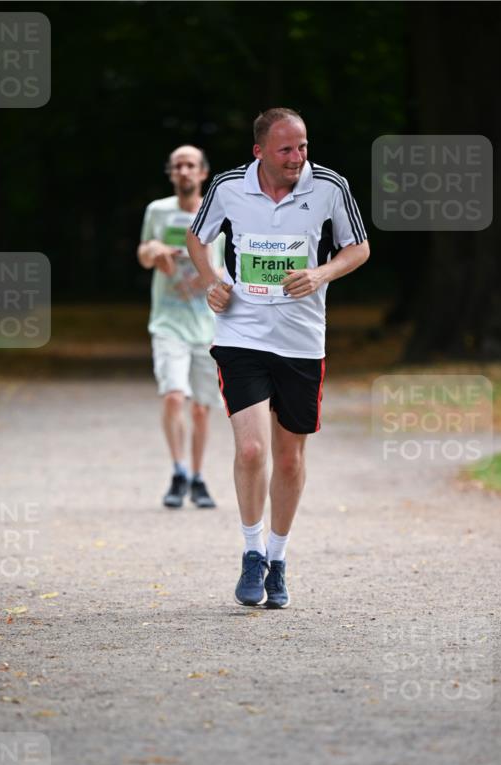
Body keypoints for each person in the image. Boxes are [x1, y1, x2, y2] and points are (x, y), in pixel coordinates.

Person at [186, 108, 369, 607]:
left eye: (303, 146)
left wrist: (321, 274)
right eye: (286, 149)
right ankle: (251, 552)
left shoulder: (329, 186)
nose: (298, 157)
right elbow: (197, 239)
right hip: (241, 334)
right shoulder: (227, 187)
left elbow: (359, 249)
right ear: (260, 151)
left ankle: (278, 558)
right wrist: (213, 282)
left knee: (289, 460)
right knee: (251, 451)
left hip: (301, 341)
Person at [138, 145, 224, 508]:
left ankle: (199, 477)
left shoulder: (220, 213)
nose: (184, 171)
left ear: (203, 172)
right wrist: (156, 251)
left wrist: (206, 273)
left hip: (209, 324)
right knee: (174, 395)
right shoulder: (158, 211)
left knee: (202, 408)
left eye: (190, 165)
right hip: (168, 321)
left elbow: (229, 270)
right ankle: (179, 470)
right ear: (171, 174)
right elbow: (143, 254)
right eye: (178, 166)